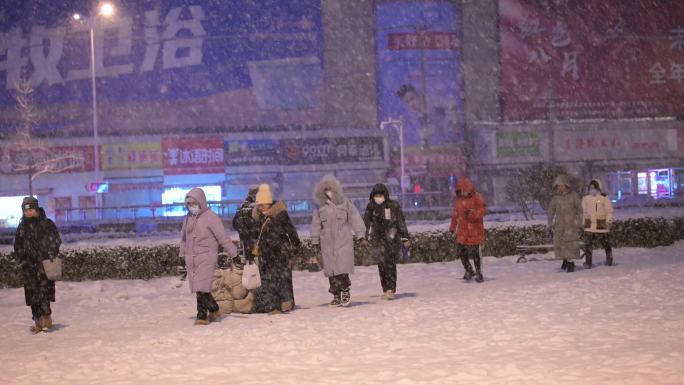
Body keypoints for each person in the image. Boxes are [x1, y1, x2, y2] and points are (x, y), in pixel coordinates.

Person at [180, 188, 237, 325]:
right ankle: (214, 309)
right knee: (200, 288)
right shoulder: (188, 218)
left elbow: (222, 237)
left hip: (207, 257)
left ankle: (201, 316)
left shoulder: (211, 217)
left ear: (201, 202)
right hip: (192, 259)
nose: (191, 207)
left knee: (201, 287)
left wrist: (233, 253)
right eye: (189, 205)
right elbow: (184, 239)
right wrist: (182, 255)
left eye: (194, 204)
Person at [310, 175, 367, 307]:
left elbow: (355, 218)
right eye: (325, 188)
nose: (328, 191)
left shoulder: (345, 202)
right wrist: (315, 241)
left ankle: (345, 291)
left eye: (330, 188)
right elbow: (315, 224)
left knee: (342, 269)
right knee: (331, 271)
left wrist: (361, 235)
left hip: (343, 240)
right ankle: (336, 294)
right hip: (327, 243)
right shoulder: (319, 206)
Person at [14, 196, 62, 334]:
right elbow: (17, 245)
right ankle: (37, 321)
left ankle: (46, 317)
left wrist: (51, 253)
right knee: (32, 294)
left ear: (36, 209)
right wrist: (21, 258)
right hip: (28, 266)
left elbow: (55, 240)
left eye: (31, 209)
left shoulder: (46, 224)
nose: (29, 213)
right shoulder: (22, 227)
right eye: (26, 210)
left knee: (44, 291)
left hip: (44, 265)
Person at [251, 184, 301, 314]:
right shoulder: (258, 217)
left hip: (279, 252)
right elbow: (256, 235)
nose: (261, 207)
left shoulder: (280, 214)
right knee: (268, 280)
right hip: (265, 253)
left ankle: (280, 305)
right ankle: (275, 305)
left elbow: (291, 230)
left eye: (263, 204)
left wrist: (295, 246)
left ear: (268, 202)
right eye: (259, 205)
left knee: (280, 279)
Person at [363, 184, 410, 300]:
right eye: (376, 195)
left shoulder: (393, 206)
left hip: (391, 240)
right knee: (381, 265)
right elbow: (366, 223)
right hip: (377, 240)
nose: (378, 197)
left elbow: (400, 222)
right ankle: (385, 289)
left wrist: (405, 237)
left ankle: (391, 289)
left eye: (380, 195)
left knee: (390, 264)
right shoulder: (371, 207)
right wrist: (363, 237)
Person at [449, 178, 487, 282]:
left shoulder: (477, 198)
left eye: (464, 190)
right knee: (461, 252)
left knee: (475, 253)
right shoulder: (458, 201)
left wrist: (472, 214)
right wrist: (452, 227)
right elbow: (455, 215)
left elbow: (483, 211)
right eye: (461, 191)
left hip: (474, 230)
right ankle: (469, 270)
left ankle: (478, 272)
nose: (463, 193)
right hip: (463, 231)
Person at [547, 175, 583, 272]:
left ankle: (571, 262)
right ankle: (565, 259)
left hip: (571, 225)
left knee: (570, 244)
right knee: (561, 244)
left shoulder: (574, 195)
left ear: (566, 185)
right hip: (560, 225)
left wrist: (578, 221)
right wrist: (550, 222)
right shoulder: (556, 198)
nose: (560, 188)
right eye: (558, 186)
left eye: (561, 185)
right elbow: (550, 210)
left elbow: (580, 210)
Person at [581, 179, 614, 268]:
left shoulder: (604, 198)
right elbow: (583, 212)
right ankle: (588, 263)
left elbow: (609, 211)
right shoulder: (586, 198)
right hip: (589, 225)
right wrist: (583, 222)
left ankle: (609, 259)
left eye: (594, 188)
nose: (592, 190)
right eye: (591, 188)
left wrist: (608, 221)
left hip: (601, 224)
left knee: (606, 244)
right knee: (588, 245)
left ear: (598, 188)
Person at [232, 186, 260, 261]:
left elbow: (234, 223)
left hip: (246, 240)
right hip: (256, 240)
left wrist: (244, 233)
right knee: (257, 263)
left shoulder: (242, 207)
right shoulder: (257, 208)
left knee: (249, 262)